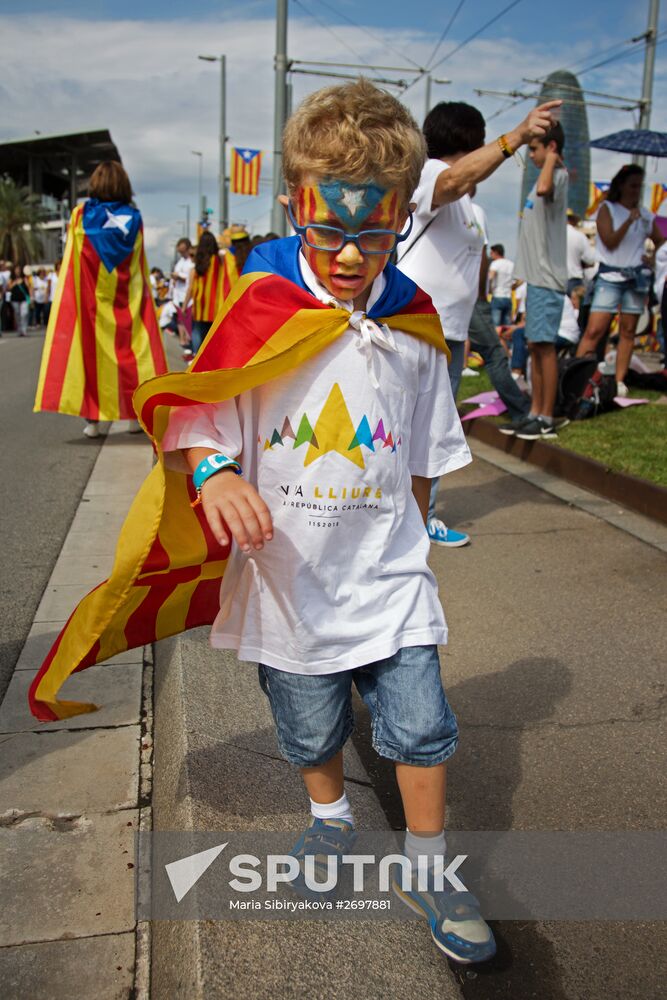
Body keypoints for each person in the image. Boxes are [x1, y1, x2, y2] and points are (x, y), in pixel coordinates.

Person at [30, 79, 495, 965]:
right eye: (330, 232)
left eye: (376, 233)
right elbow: (196, 413)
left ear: (402, 214)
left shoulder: (415, 323)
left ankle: (429, 866)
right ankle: (330, 820)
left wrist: (416, 549)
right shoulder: (259, 307)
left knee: (423, 725)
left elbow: (427, 456)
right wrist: (213, 473)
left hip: (388, 578)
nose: (353, 256)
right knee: (309, 724)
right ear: (295, 206)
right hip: (284, 579)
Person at [397, 97, 560, 542]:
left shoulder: (477, 211)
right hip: (412, 329)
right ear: (467, 140)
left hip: (452, 335)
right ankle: (387, 518)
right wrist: (518, 137)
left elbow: (474, 269)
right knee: (397, 427)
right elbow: (453, 181)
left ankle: (420, 518)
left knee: (431, 432)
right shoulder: (428, 175)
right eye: (483, 141)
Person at [34, 160, 167, 436]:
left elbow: (72, 263)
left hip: (92, 304)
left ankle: (93, 422)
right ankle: (133, 418)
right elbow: (139, 266)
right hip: (126, 302)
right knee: (131, 358)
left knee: (91, 360)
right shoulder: (135, 219)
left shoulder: (80, 215)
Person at [576, 164, 665, 395]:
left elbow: (661, 241)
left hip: (636, 277)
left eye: (640, 186)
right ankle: (577, 375)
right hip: (610, 275)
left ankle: (619, 380)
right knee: (595, 330)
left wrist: (652, 258)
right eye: (633, 185)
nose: (637, 190)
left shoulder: (646, 215)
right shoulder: (607, 208)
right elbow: (610, 240)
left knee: (628, 331)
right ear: (622, 185)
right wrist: (629, 221)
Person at [511, 121, 569, 441]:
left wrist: (550, 159)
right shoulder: (541, 180)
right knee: (535, 346)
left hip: (548, 278)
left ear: (551, 148)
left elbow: (546, 188)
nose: (530, 155)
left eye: (535, 148)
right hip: (536, 278)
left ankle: (546, 416)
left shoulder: (556, 177)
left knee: (544, 347)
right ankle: (535, 411)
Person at [183, 231, 238, 354]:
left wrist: (185, 305)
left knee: (197, 331)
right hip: (215, 304)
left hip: (199, 304)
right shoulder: (219, 260)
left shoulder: (198, 261)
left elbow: (191, 287)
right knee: (212, 335)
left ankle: (196, 355)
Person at [171, 237, 194, 356]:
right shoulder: (180, 262)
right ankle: (183, 340)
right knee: (180, 319)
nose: (182, 253)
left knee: (188, 320)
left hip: (187, 296)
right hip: (178, 294)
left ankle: (190, 343)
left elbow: (190, 279)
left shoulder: (191, 262)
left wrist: (178, 277)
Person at [566, 211, 595, 296]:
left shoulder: (552, 235)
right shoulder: (579, 236)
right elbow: (590, 260)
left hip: (554, 280)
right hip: (573, 279)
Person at [488, 244, 514, 326]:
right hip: (508, 297)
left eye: (491, 253)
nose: (490, 255)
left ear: (496, 252)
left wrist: (489, 289)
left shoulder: (495, 263)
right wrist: (513, 287)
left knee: (496, 326)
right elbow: (520, 280)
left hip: (497, 295)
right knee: (506, 326)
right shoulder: (511, 264)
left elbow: (490, 277)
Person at [9, 264, 30, 336]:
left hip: (24, 299)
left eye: (19, 269)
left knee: (24, 314)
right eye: (16, 269)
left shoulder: (24, 278)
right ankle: (19, 330)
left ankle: (24, 330)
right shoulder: (11, 278)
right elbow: (9, 288)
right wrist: (14, 283)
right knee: (17, 314)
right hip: (15, 299)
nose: (18, 271)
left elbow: (29, 287)